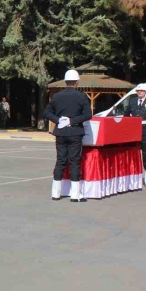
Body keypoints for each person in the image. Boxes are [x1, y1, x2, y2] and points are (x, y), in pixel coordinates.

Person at [43, 69, 92, 202]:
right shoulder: (81, 96)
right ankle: (75, 194)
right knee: (74, 162)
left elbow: (46, 113)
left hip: (61, 132)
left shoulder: (57, 96)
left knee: (60, 161)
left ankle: (55, 193)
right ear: (76, 83)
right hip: (75, 132)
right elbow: (88, 115)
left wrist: (59, 120)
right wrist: (72, 120)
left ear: (65, 82)